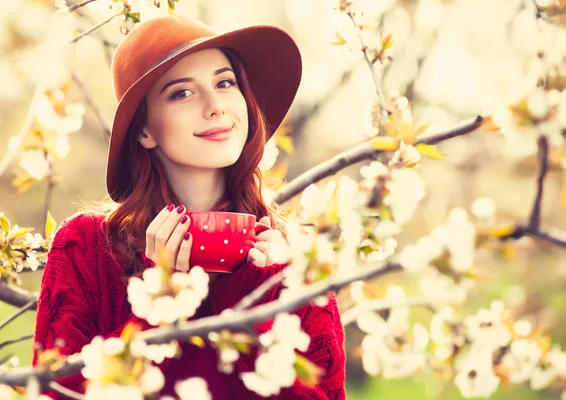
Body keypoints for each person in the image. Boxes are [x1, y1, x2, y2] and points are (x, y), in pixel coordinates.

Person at [32, 16, 346, 400]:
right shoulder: (85, 247)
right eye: (182, 92)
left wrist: (258, 309)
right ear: (144, 129)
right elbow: (54, 394)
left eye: (225, 82)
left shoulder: (295, 257)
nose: (216, 107)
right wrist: (157, 306)